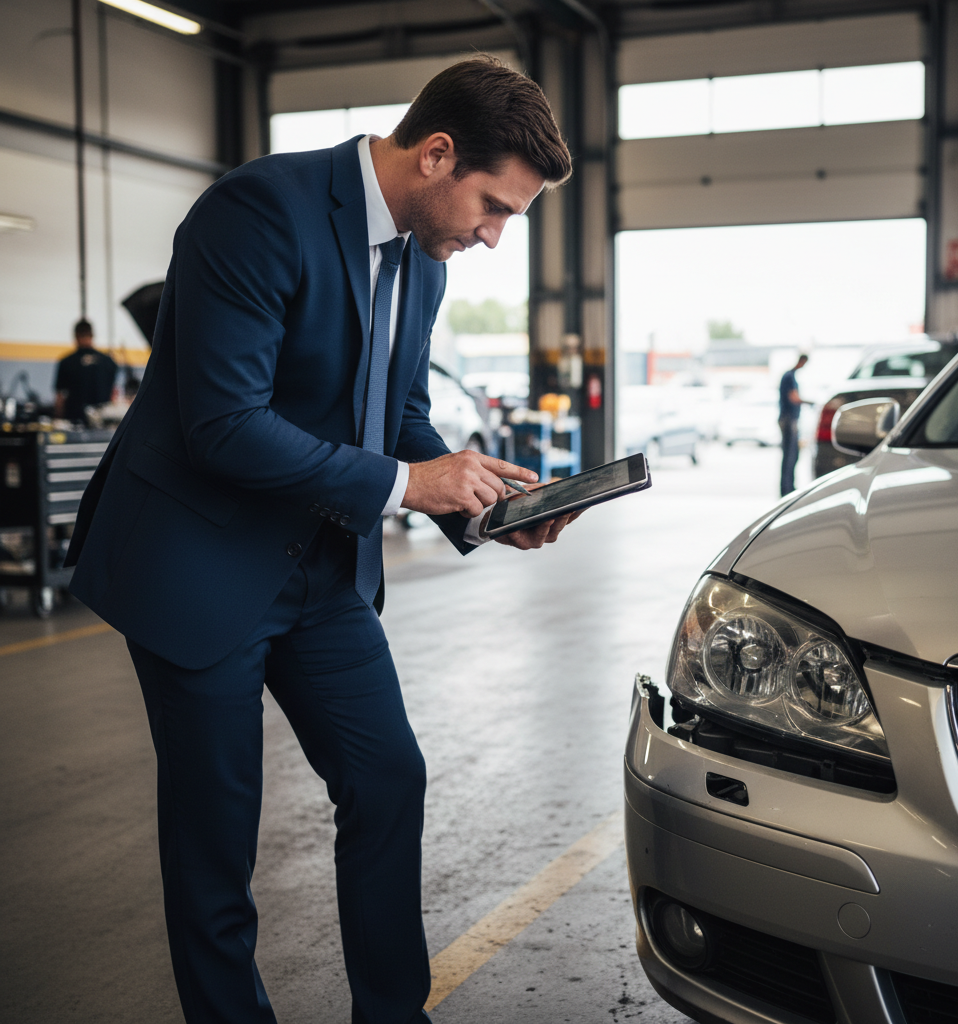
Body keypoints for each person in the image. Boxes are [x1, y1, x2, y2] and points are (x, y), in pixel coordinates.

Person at [64, 56, 574, 1024]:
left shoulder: (424, 258)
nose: (496, 237)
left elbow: (402, 416)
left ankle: (392, 1012)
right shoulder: (257, 210)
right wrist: (404, 482)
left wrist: (478, 498)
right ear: (435, 154)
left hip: (319, 570)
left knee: (387, 779)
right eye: (495, 206)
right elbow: (222, 423)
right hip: (198, 564)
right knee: (218, 835)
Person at [54, 318, 118, 423]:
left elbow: (60, 398)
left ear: (76, 336)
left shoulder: (67, 362)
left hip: (75, 421)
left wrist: (57, 421)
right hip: (103, 421)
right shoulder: (108, 362)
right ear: (92, 335)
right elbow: (114, 394)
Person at [779, 353, 810, 496]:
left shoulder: (790, 376)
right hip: (788, 420)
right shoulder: (789, 376)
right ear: (801, 361)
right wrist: (809, 402)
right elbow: (793, 397)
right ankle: (786, 489)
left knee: (793, 454)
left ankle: (788, 486)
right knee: (790, 455)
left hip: (790, 419)